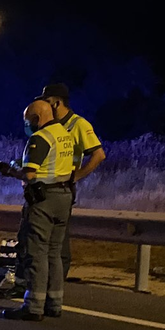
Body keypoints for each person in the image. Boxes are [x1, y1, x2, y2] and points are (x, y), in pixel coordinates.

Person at [0, 100, 75, 321]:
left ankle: (34, 306)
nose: (27, 125)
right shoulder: (64, 134)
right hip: (64, 196)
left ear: (37, 119)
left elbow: (30, 174)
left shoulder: (40, 138)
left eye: (28, 120)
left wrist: (10, 171)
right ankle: (54, 303)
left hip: (43, 200)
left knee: (36, 253)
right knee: (54, 252)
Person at [38, 83, 106, 280]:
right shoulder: (51, 125)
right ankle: (47, 284)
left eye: (47, 101)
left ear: (57, 102)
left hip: (62, 189)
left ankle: (56, 286)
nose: (43, 105)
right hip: (46, 188)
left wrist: (75, 177)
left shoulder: (78, 125)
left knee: (58, 242)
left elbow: (99, 155)